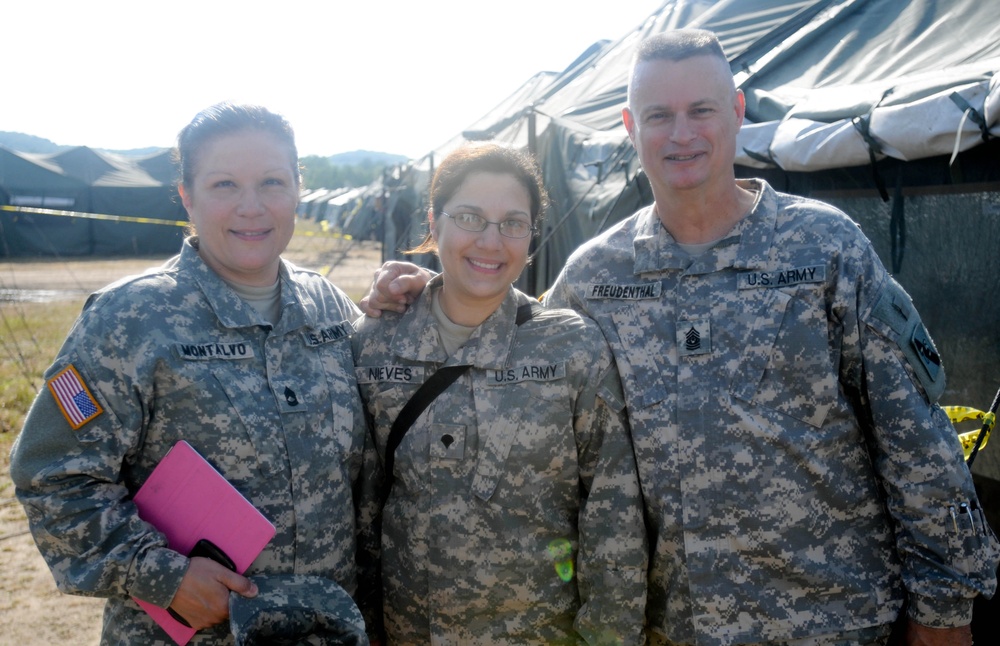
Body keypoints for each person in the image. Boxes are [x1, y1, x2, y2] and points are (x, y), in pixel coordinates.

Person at [359, 30, 999, 646]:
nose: (682, 133)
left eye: (702, 110)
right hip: (669, 627)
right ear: (630, 127)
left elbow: (915, 435)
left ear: (738, 113)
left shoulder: (825, 248)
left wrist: (944, 606)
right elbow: (520, 353)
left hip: (829, 619)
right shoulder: (596, 274)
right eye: (659, 115)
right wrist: (434, 291)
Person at [10, 103, 378, 644]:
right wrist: (162, 575)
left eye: (272, 182)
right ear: (186, 195)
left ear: (299, 188)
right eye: (224, 184)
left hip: (325, 630)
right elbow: (52, 476)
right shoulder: (128, 320)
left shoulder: (329, 308)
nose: (251, 207)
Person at [351, 143, 647, 644]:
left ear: (532, 236)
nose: (491, 242)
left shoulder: (571, 347)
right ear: (434, 221)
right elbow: (360, 511)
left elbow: (612, 515)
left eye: (513, 223)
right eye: (470, 217)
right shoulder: (374, 345)